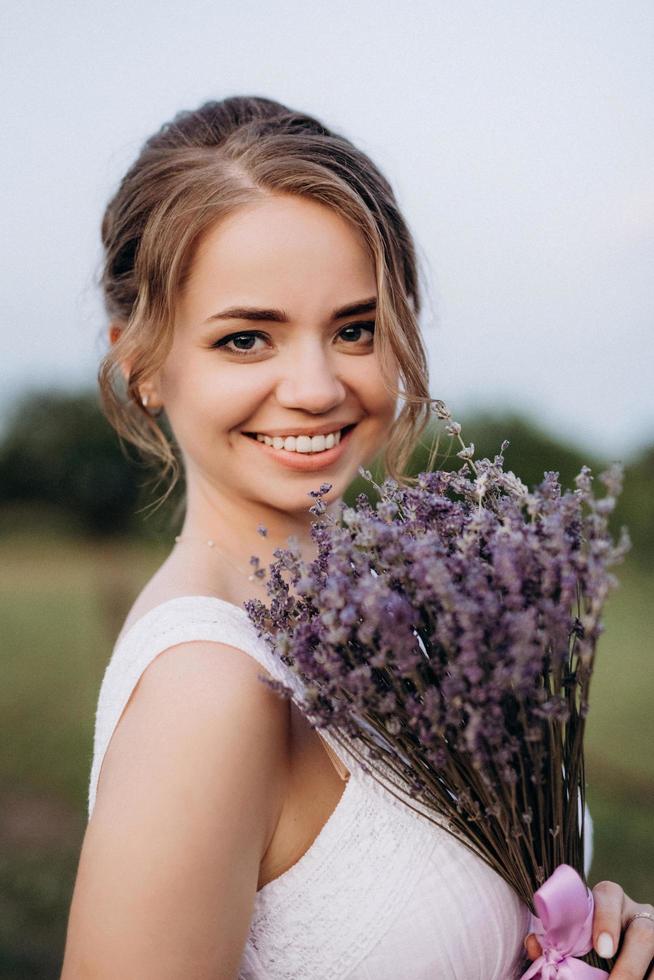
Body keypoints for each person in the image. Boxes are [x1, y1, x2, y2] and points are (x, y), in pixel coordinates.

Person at [61, 95, 653, 979]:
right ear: (140, 365)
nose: (315, 385)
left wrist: (585, 941)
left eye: (354, 329)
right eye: (247, 338)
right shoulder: (208, 696)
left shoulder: (397, 626)